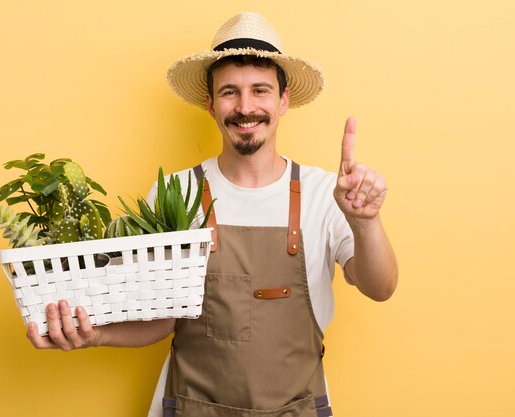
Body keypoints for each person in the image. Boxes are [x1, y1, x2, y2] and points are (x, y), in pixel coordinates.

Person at [27, 12, 398, 417]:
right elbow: (163, 319)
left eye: (260, 90)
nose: (245, 107)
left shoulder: (326, 193)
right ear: (210, 103)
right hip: (191, 407)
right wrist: (93, 334)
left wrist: (365, 222)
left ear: (283, 100)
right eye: (229, 92)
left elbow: (380, 286)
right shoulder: (175, 193)